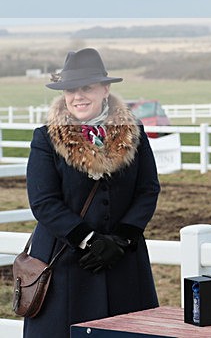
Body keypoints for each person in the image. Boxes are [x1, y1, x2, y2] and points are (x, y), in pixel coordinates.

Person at [24, 48, 160, 337]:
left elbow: (147, 190)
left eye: (87, 87)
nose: (78, 96)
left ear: (105, 89)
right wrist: (87, 239)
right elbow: (43, 201)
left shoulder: (133, 131)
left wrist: (121, 239)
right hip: (66, 263)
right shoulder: (46, 138)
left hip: (123, 260)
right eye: (71, 89)